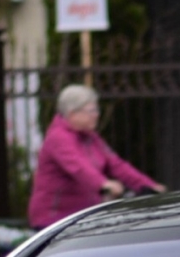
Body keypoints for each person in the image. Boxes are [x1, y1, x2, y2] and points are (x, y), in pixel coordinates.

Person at [28, 84, 164, 228]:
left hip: (81, 216)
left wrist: (146, 184)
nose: (97, 114)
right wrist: (103, 184)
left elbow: (116, 164)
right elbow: (78, 167)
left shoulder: (90, 138)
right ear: (73, 113)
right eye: (92, 110)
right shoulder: (58, 138)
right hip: (55, 219)